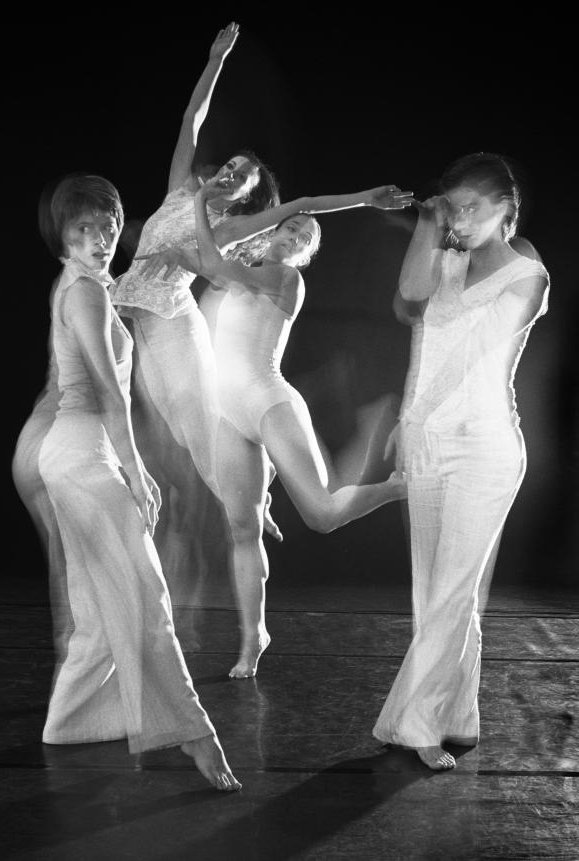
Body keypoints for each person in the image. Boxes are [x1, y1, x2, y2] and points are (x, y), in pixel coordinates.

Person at [110, 22, 412, 510]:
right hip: (128, 307)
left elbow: (308, 201)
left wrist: (366, 200)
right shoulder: (177, 193)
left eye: (243, 177)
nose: (231, 173)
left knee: (188, 436)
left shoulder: (230, 230)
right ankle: (252, 483)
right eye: (230, 166)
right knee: (121, 397)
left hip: (168, 320)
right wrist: (215, 61)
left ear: (248, 196)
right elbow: (191, 119)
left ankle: (252, 492)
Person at [13, 173, 241, 791]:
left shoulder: (92, 287)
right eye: (84, 229)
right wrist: (137, 471)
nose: (101, 238)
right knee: (147, 596)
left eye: (109, 225)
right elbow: (110, 397)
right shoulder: (84, 294)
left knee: (95, 609)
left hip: (81, 455)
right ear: (61, 236)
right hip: (81, 457)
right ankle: (195, 733)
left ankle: (72, 722)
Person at [178, 180, 408, 679]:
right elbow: (204, 263)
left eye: (305, 235)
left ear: (305, 255)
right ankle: (252, 637)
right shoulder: (247, 271)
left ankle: (393, 488)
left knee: (322, 515)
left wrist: (196, 205)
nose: (295, 234)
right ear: (273, 230)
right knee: (241, 529)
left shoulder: (286, 281)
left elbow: (210, 263)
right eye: (290, 225)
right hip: (228, 411)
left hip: (268, 398)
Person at [373, 152, 550, 770]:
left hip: (487, 448)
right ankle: (458, 715)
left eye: (475, 205)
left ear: (508, 206)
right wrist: (428, 226)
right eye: (455, 205)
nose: (463, 217)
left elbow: (468, 357)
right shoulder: (446, 262)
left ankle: (417, 725)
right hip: (428, 443)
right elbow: (410, 299)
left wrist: (412, 415)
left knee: (451, 592)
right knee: (439, 593)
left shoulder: (528, 275)